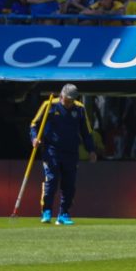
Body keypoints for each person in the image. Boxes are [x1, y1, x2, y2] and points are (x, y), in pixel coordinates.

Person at [29, 84, 97, 226]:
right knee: (52, 181)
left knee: (69, 184)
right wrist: (34, 138)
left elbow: (86, 132)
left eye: (71, 100)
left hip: (71, 151)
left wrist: (91, 150)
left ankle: (64, 214)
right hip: (51, 150)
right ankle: (46, 211)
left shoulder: (79, 109)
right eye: (66, 99)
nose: (68, 103)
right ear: (61, 96)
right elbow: (34, 124)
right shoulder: (49, 105)